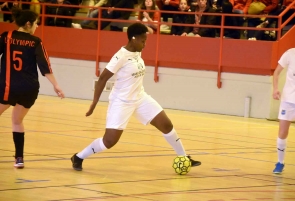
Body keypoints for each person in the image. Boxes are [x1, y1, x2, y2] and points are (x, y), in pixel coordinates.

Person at [70, 22, 201, 171]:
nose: (144, 44)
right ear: (133, 38)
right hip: (121, 102)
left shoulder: (137, 51)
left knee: (167, 125)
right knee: (109, 141)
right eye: (143, 40)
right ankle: (79, 157)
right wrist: (94, 102)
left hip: (140, 98)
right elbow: (102, 79)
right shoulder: (120, 56)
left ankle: (184, 157)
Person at [0, 8, 65, 168]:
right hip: (29, 89)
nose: (37, 27)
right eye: (36, 23)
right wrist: (56, 85)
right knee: (17, 121)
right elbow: (45, 66)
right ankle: (19, 158)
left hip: (9, 85)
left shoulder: (6, 37)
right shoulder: (36, 42)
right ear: (28, 24)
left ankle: (19, 157)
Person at [272, 29, 295, 174]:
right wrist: (275, 89)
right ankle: (280, 162)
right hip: (289, 99)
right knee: (283, 131)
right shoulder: (290, 54)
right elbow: (276, 72)